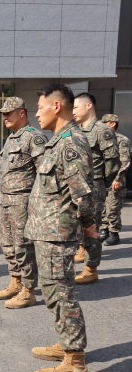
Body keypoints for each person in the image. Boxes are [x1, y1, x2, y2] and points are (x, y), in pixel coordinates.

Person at [26, 83, 97, 372]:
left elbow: (81, 191)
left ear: (56, 106)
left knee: (62, 294)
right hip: (48, 231)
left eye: (40, 107)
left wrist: (90, 225)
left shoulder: (70, 142)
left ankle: (75, 363)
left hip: (58, 233)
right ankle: (64, 344)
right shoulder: (57, 141)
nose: (36, 113)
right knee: (53, 293)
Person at [0, 97, 47, 308]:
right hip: (6, 200)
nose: (5, 117)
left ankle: (28, 290)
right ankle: (15, 281)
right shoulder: (11, 138)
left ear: (22, 113)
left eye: (9, 112)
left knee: (24, 246)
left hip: (23, 201)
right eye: (3, 114)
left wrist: (38, 206)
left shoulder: (34, 137)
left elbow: (44, 174)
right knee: (8, 244)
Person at [72, 93, 120, 284]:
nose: (73, 111)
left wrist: (102, 184)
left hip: (94, 187)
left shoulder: (103, 131)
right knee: (79, 225)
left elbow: (113, 163)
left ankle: (91, 268)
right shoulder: (77, 130)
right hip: (78, 187)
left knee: (92, 228)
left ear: (89, 105)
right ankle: (83, 253)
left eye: (76, 107)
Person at [100, 114, 131, 246]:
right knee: (102, 207)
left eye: (104, 123)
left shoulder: (121, 140)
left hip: (115, 180)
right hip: (103, 180)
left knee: (113, 207)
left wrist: (117, 178)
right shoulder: (102, 139)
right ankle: (104, 230)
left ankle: (114, 233)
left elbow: (124, 161)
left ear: (112, 124)